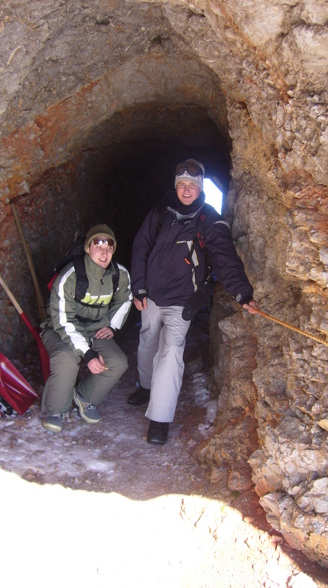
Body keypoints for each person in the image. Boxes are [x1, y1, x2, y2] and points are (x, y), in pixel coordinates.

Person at [129, 159, 259, 445]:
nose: (187, 190)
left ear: (200, 189)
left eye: (192, 186)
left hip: (182, 301)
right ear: (176, 187)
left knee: (171, 351)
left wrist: (242, 293)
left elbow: (224, 258)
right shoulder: (160, 213)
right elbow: (140, 247)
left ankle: (159, 420)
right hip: (151, 295)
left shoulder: (209, 219)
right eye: (182, 185)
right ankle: (146, 387)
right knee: (148, 340)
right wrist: (138, 287)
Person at [41, 224, 133, 432]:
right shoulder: (70, 276)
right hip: (59, 329)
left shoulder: (119, 274)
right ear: (87, 247)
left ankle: (84, 396)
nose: (104, 252)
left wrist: (112, 324)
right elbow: (63, 321)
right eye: (98, 245)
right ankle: (56, 410)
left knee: (118, 362)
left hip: (95, 329)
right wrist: (89, 353)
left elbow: (126, 298)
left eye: (109, 247)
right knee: (67, 359)